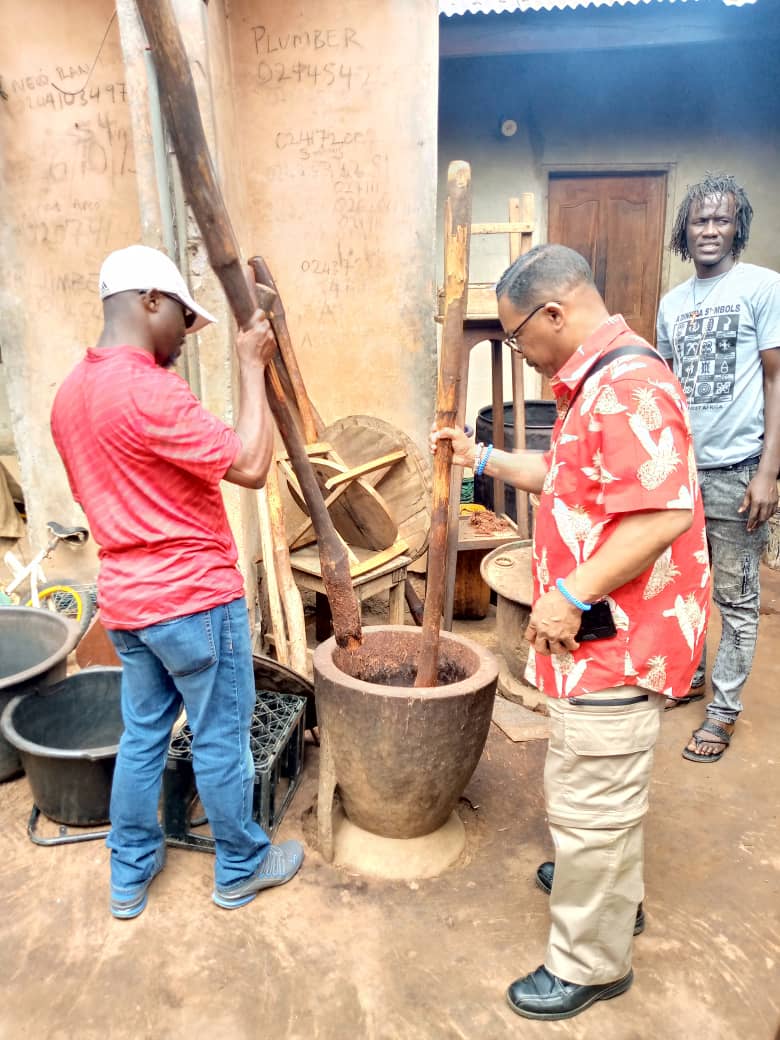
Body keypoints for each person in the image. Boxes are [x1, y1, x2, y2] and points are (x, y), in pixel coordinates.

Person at [431, 244, 710, 1021]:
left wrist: (569, 591)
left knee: (592, 796)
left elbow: (663, 512)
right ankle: (610, 896)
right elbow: (571, 474)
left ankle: (591, 960)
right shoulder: (599, 382)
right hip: (607, 636)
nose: (520, 355)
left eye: (520, 337)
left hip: (618, 636)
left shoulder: (627, 386)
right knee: (599, 785)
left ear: (556, 313)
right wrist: (480, 456)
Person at [51, 244, 303, 919]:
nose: (183, 343)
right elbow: (249, 463)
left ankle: (129, 876)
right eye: (182, 323)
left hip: (128, 604)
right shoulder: (149, 389)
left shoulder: (70, 395)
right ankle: (242, 867)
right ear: (150, 301)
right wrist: (252, 366)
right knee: (222, 736)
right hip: (193, 600)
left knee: (142, 735)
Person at [657, 173, 780, 764]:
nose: (709, 229)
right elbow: (668, 388)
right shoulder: (672, 303)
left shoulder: (762, 287)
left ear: (738, 227)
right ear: (685, 228)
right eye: (700, 220)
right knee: (683, 585)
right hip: (682, 473)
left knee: (736, 598)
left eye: (721, 219)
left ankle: (724, 714)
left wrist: (768, 473)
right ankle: (691, 677)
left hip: (737, 471)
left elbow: (778, 381)